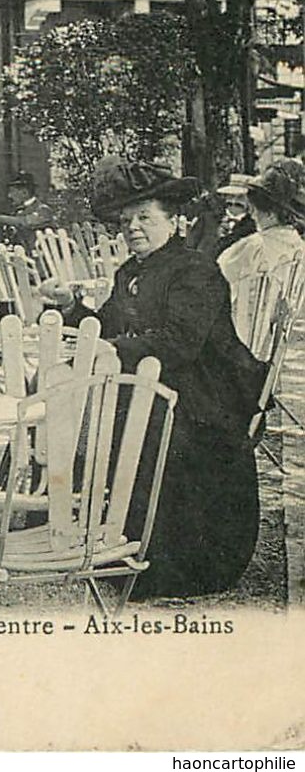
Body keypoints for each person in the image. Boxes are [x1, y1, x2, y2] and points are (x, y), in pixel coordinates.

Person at [39, 160, 265, 599]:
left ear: (173, 220)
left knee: (144, 432)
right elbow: (105, 328)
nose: (133, 228)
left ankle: (170, 564)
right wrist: (72, 308)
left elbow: (181, 342)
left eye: (145, 217)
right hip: (152, 385)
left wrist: (116, 351)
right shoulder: (131, 273)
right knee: (73, 405)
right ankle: (73, 529)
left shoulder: (195, 271)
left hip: (202, 396)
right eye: (126, 221)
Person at [217, 160, 305, 293]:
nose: (252, 215)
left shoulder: (251, 247)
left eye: (256, 210)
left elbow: (219, 273)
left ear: (271, 214)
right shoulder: (299, 244)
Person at [0, 171, 55, 249]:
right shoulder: (16, 210)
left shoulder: (43, 210)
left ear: (24, 193)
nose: (9, 196)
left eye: (12, 191)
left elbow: (25, 222)